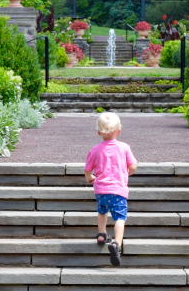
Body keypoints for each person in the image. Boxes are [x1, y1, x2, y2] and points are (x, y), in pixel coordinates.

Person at [84, 112, 138, 267]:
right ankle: (116, 244)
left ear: (99, 132)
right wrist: (128, 173)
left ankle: (101, 235)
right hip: (118, 190)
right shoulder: (124, 147)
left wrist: (90, 178)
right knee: (120, 217)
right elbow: (133, 166)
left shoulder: (95, 150)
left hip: (101, 190)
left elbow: (88, 169)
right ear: (118, 131)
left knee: (102, 211)